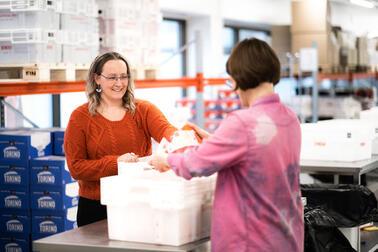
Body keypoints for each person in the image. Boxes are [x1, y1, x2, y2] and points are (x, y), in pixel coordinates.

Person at [149, 38, 304, 251]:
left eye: (231, 82)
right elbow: (258, 151)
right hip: (285, 235)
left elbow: (195, 164)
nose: (234, 90)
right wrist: (214, 140)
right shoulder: (289, 117)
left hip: (251, 240)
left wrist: (165, 159)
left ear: (240, 78)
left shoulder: (242, 122)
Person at [64, 51, 177, 227]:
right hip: (95, 207)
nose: (119, 83)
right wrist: (116, 163)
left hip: (139, 201)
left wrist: (179, 137)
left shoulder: (144, 110)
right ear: (97, 79)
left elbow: (166, 130)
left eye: (124, 76)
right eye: (112, 77)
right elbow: (76, 168)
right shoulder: (80, 117)